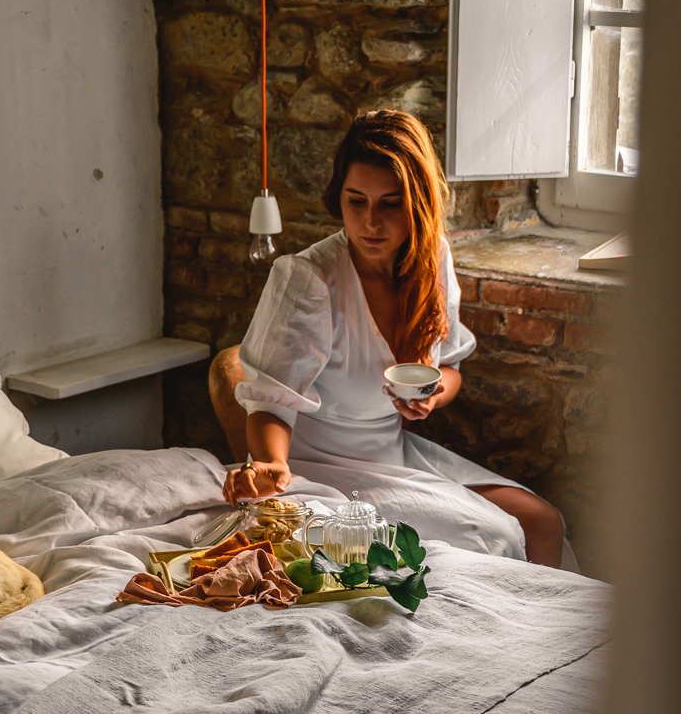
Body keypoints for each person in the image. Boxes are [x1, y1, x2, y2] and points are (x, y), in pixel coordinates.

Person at [210, 110, 565, 567]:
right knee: (490, 539)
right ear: (338, 196)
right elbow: (270, 403)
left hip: (395, 455)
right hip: (323, 471)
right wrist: (272, 463)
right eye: (356, 201)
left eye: (390, 204)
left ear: (418, 202)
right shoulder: (310, 280)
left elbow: (450, 367)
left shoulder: (431, 260)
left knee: (542, 521)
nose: (370, 223)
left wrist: (433, 396)